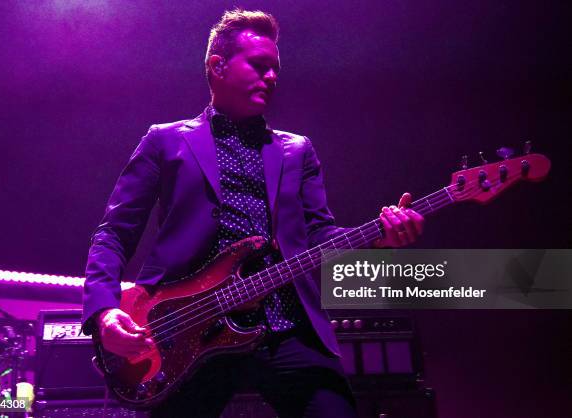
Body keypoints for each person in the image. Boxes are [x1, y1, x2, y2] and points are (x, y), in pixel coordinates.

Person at [82, 9, 424, 418]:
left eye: (276, 69)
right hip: (188, 332)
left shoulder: (297, 150)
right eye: (259, 65)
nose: (272, 77)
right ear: (217, 65)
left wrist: (379, 235)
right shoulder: (165, 141)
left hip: (287, 327)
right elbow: (114, 233)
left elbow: (317, 234)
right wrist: (104, 312)